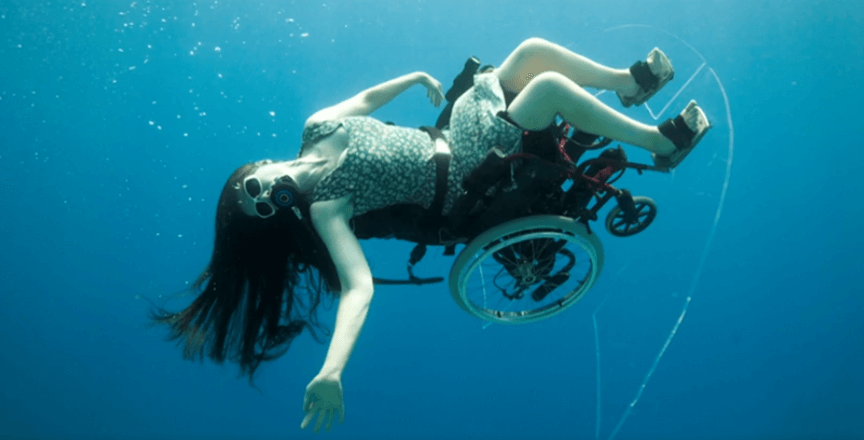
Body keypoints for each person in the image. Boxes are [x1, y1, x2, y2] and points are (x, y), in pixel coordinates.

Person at [152, 37, 710, 433]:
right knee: (544, 88)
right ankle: (662, 146)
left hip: (451, 130)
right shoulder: (327, 208)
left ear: (253, 168)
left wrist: (414, 79)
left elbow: (366, 102)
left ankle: (626, 86)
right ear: (277, 215)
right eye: (261, 207)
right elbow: (358, 289)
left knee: (528, 52)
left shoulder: (316, 126)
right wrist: (332, 370)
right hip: (463, 176)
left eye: (249, 186)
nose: (262, 192)